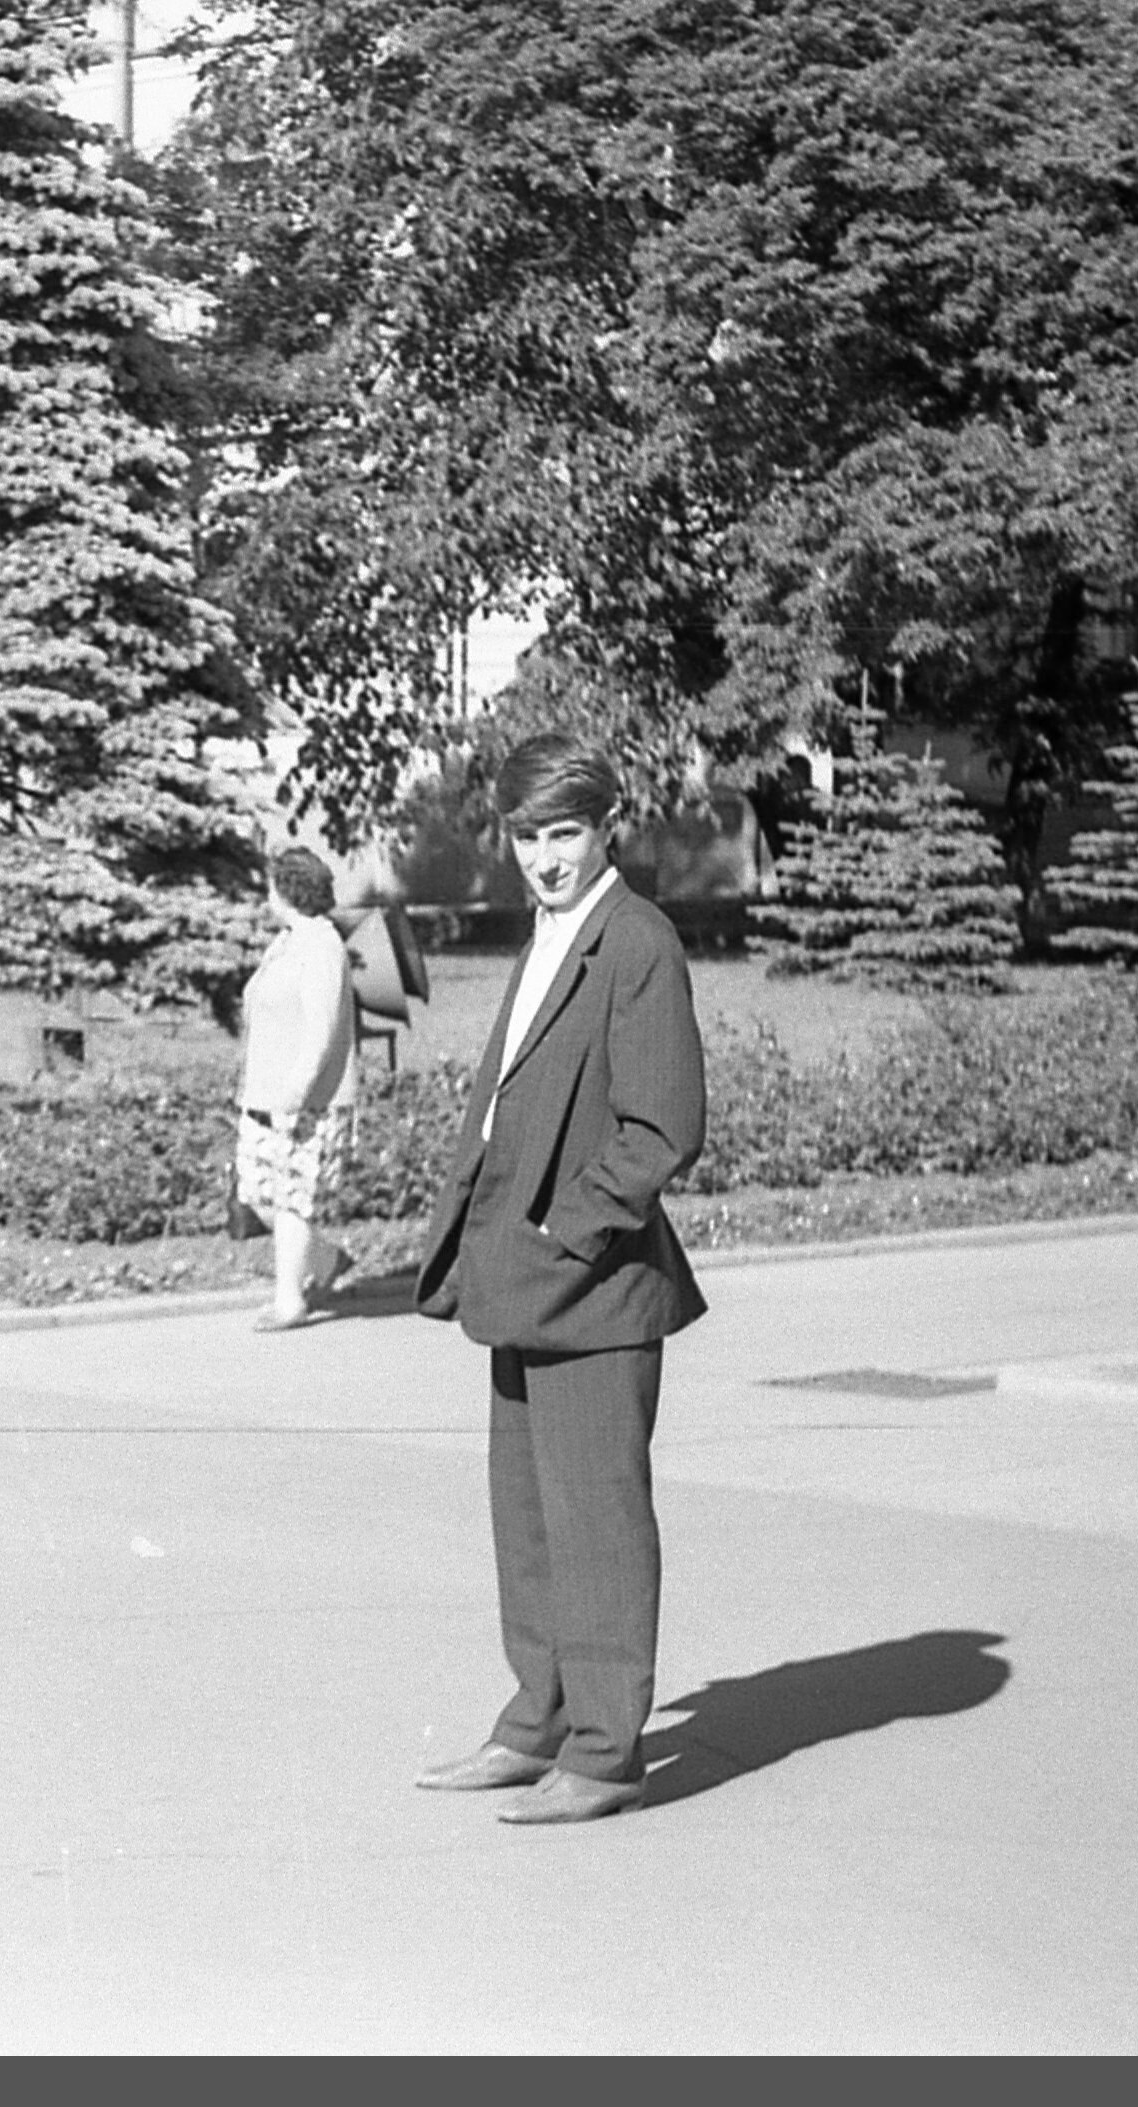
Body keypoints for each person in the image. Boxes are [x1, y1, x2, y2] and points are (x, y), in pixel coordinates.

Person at [410, 733, 707, 1826]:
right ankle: (535, 1723)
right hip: (521, 1275)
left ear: (606, 827)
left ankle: (604, 1752)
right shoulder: (550, 931)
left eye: (564, 833)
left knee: (597, 1527)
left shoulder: (636, 941)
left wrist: (558, 1228)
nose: (542, 857)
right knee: (529, 1523)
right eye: (526, 835)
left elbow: (662, 1125)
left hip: (592, 1286)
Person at [237, 846, 358, 1331]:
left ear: (288, 890)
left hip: (305, 1098)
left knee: (291, 1199)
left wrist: (297, 1090)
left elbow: (321, 1030)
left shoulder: (322, 947)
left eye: (271, 886)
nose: (267, 895)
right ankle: (325, 1260)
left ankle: (289, 1301)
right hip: (263, 1094)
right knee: (257, 1192)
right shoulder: (287, 942)